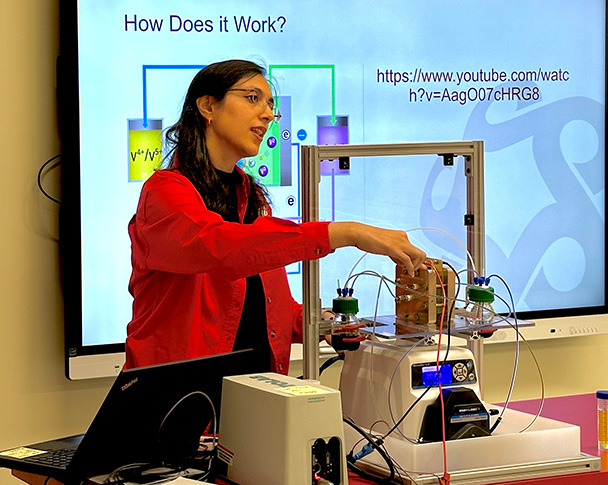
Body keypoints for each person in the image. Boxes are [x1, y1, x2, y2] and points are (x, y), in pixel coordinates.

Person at [125, 59, 427, 372]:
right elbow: (222, 249)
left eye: (270, 104)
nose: (268, 113)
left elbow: (260, 307)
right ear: (207, 106)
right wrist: (347, 233)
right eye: (252, 98)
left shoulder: (251, 197)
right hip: (180, 405)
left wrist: (316, 322)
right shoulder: (164, 192)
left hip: (255, 401)